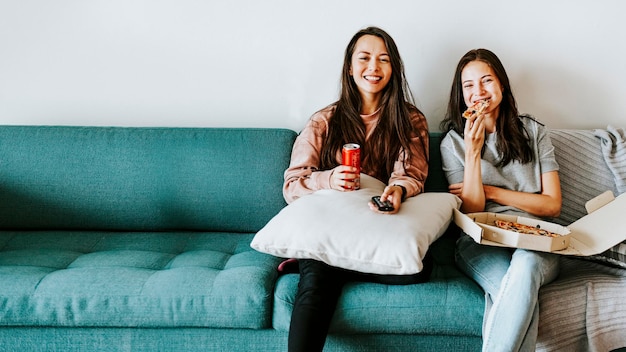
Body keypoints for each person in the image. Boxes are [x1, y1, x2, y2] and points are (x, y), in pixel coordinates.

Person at [283, 26, 431, 352]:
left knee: (418, 270)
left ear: (394, 69)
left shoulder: (411, 120)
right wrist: (328, 179)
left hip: (376, 229)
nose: (373, 68)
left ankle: (339, 263)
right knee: (317, 280)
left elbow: (411, 174)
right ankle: (332, 264)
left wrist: (397, 191)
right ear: (350, 67)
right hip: (327, 227)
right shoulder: (324, 121)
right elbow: (292, 185)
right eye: (364, 58)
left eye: (383, 60)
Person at [439, 48, 562, 352]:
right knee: (520, 297)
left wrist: (492, 191)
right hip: (481, 243)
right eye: (469, 86)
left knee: (526, 266)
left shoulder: (534, 132)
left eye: (486, 81)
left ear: (502, 86)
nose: (478, 92)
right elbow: (472, 210)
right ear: (461, 94)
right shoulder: (453, 144)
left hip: (536, 240)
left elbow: (552, 205)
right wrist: (472, 152)